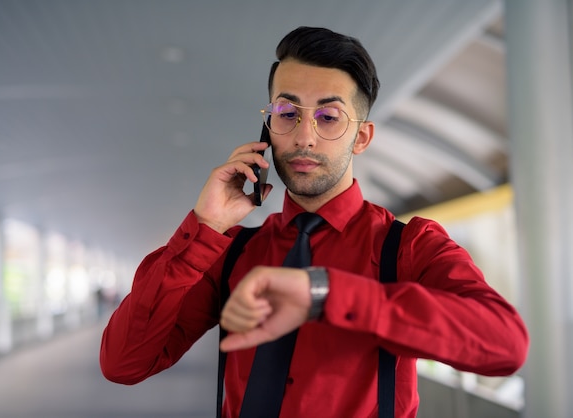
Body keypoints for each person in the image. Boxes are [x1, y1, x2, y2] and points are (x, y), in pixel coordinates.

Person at [100, 26, 529, 417]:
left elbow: (504, 344)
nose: (304, 135)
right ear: (268, 127)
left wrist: (324, 293)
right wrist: (204, 227)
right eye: (287, 113)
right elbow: (124, 363)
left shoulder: (409, 246)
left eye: (328, 117)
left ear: (361, 137)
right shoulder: (231, 253)